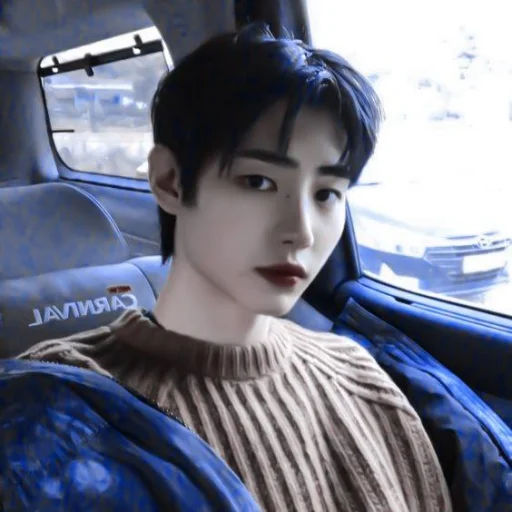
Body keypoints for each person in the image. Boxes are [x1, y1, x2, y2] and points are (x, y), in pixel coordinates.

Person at [18, 24, 452, 512]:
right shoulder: (60, 404)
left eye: (327, 193)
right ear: (170, 181)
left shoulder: (359, 378)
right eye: (258, 182)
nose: (302, 232)